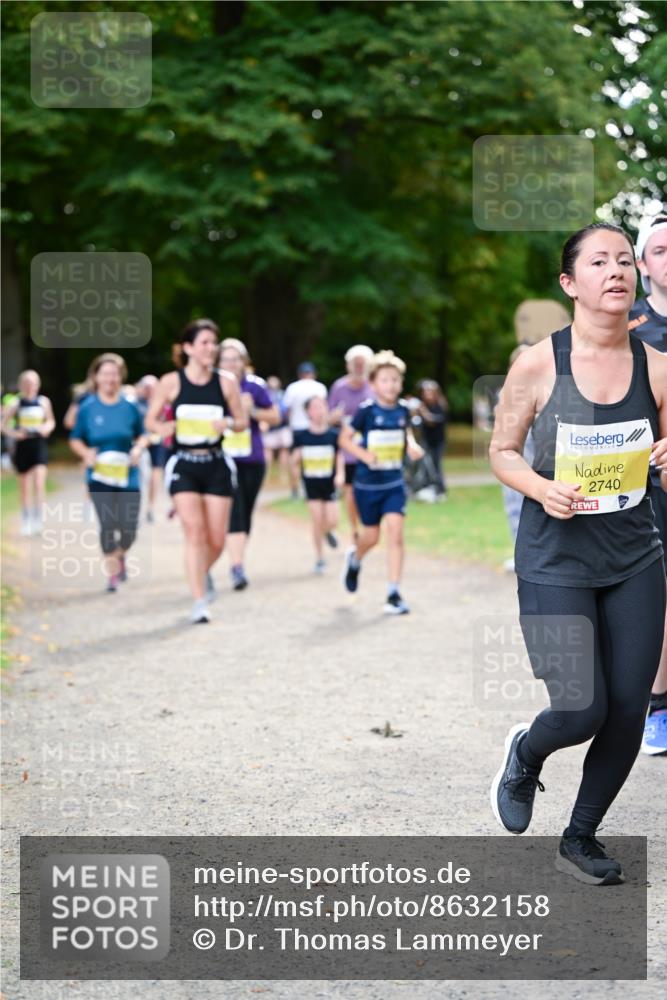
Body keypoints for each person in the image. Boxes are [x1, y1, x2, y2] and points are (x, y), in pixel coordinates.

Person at [489, 223, 667, 886]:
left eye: (624, 259)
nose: (616, 270)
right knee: (578, 708)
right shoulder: (537, 364)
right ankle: (525, 753)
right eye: (599, 261)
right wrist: (541, 488)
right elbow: (501, 451)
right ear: (569, 283)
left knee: (626, 707)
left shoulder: (657, 367)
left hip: (632, 559)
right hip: (554, 558)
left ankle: (580, 836)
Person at [145, 318, 246, 624]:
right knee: (194, 532)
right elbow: (150, 421)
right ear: (188, 348)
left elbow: (242, 422)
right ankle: (199, 600)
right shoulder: (171, 382)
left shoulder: (226, 382)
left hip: (216, 463)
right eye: (204, 342)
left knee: (216, 540)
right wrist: (163, 426)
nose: (211, 348)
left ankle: (199, 574)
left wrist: (227, 423)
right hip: (184, 464)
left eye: (214, 343)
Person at [339, 350, 424, 615]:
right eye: (385, 380)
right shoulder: (366, 411)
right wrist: (365, 455)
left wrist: (412, 445)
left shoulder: (402, 411)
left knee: (396, 534)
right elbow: (344, 439)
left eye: (396, 380)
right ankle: (355, 559)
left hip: (393, 483)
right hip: (368, 485)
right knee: (372, 537)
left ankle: (393, 592)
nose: (392, 385)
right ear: (374, 384)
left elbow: (405, 432)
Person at [629, 214, 667, 755]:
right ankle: (658, 709)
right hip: (647, 481)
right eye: (660, 250)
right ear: (643, 264)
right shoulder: (627, 323)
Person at [69, 353, 148, 592]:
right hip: (99, 475)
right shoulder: (88, 407)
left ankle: (120, 553)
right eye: (105, 373)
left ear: (120, 377)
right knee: (107, 523)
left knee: (129, 528)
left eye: (114, 374)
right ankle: (112, 574)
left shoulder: (130, 406)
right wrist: (86, 454)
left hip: (128, 475)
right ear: (96, 377)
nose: (110, 378)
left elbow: (143, 435)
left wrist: (138, 449)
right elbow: (75, 439)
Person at [218, 338, 279, 590]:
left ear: (244, 362)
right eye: (226, 359)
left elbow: (275, 416)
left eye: (236, 359)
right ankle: (236, 567)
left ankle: (237, 558)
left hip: (252, 459)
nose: (231, 364)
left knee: (245, 512)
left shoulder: (255, 386)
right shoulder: (213, 385)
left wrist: (251, 411)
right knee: (234, 511)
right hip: (223, 459)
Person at [293, 395, 345, 573]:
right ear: (308, 412)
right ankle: (320, 558)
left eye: (322, 406)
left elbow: (339, 457)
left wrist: (340, 474)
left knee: (332, 520)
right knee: (316, 519)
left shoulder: (333, 435)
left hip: (329, 483)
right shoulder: (301, 436)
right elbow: (294, 461)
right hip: (311, 483)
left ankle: (328, 532)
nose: (319, 410)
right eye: (314, 407)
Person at [328, 345, 374, 541]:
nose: (358, 367)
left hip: (369, 448)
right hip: (346, 449)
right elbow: (328, 418)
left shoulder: (374, 387)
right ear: (348, 365)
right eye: (355, 364)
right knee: (350, 491)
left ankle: (368, 525)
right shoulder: (339, 387)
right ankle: (355, 529)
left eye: (362, 364)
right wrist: (335, 417)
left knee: (367, 489)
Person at [2, 370, 55, 536]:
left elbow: (51, 421)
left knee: (39, 483)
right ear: (21, 386)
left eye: (33, 383)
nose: (30, 387)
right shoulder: (16, 403)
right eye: (27, 384)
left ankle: (39, 519)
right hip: (23, 447)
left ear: (38, 385)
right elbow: (3, 426)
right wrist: (16, 434)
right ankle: (26, 520)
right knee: (25, 486)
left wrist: (46, 428)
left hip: (39, 445)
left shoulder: (43, 402)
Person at [282, 362, 327, 499]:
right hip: (315, 427)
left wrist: (289, 423)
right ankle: (315, 487)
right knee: (316, 458)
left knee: (295, 460)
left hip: (297, 428)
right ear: (313, 374)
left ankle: (295, 490)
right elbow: (324, 409)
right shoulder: (320, 387)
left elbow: (286, 409)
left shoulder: (292, 388)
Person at [134, 374, 168, 524]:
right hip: (139, 443)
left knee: (155, 476)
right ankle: (137, 508)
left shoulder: (162, 405)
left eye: (152, 387)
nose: (149, 390)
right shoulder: (136, 404)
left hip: (157, 443)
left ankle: (150, 508)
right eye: (147, 387)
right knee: (140, 476)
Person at [416, 379, 449, 499]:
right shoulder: (423, 406)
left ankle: (441, 490)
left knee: (436, 466)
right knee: (424, 465)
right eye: (425, 392)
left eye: (430, 392)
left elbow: (432, 421)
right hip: (426, 441)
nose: (427, 394)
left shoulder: (440, 406)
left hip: (438, 442)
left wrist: (422, 411)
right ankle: (426, 487)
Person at [262, 376, 292, 477]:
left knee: (281, 449)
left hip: (279, 426)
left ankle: (279, 473)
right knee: (270, 449)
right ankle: (269, 473)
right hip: (273, 427)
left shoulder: (277, 395)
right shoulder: (279, 395)